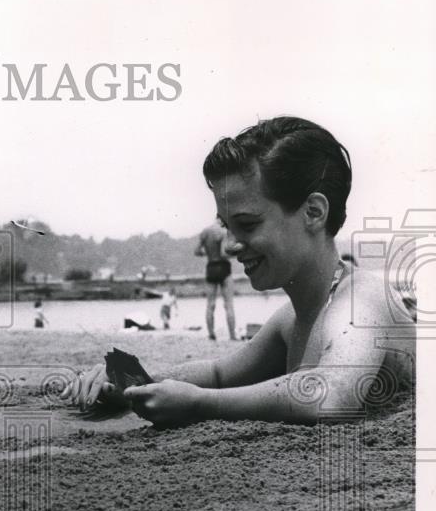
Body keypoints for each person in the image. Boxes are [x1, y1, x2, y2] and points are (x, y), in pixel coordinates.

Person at [65, 116, 414, 425]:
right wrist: (130, 389)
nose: (231, 244)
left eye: (246, 224)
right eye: (226, 225)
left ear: (313, 212)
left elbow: (332, 394)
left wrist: (201, 405)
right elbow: (219, 374)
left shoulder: (361, 299)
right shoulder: (293, 317)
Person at [196, 219, 237, 340]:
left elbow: (197, 251)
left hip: (211, 267)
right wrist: (237, 253)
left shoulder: (205, 232)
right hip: (223, 267)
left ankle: (211, 334)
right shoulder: (223, 232)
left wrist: (208, 254)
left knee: (210, 304)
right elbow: (224, 253)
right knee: (228, 304)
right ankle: (232, 335)